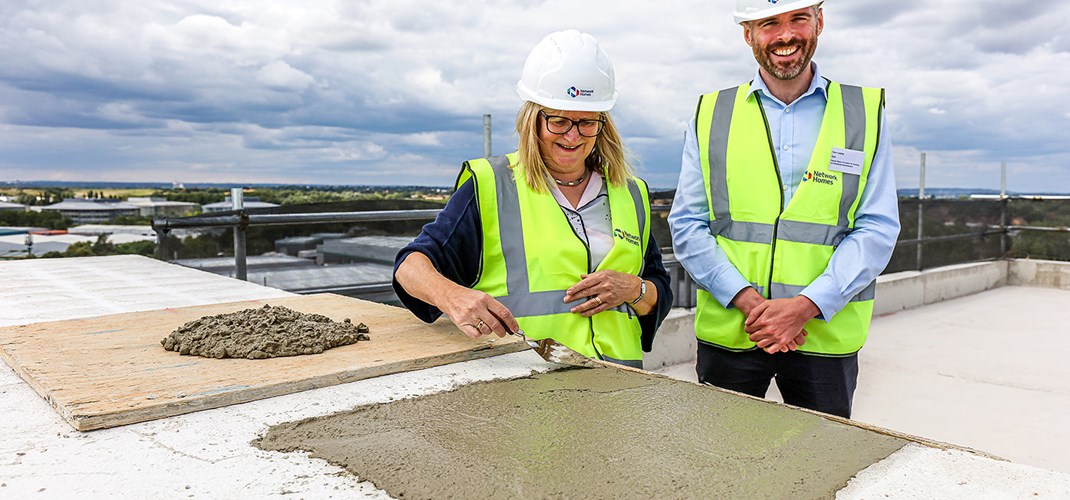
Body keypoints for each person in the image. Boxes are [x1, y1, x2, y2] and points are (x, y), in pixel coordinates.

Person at [668, 0, 900, 418]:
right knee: (720, 463)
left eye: (798, 18)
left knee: (822, 466)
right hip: (733, 333)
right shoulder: (711, 113)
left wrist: (806, 306)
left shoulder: (862, 112)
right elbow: (687, 223)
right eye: (769, 23)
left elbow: (876, 227)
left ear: (819, 22)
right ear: (748, 33)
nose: (786, 35)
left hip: (823, 336)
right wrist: (749, 303)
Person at [393, 30, 673, 368]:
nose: (573, 136)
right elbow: (410, 267)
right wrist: (453, 296)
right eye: (558, 121)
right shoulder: (493, 185)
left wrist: (636, 291)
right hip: (522, 385)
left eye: (587, 123)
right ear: (533, 120)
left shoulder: (631, 193)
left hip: (618, 385)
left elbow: (658, 288)